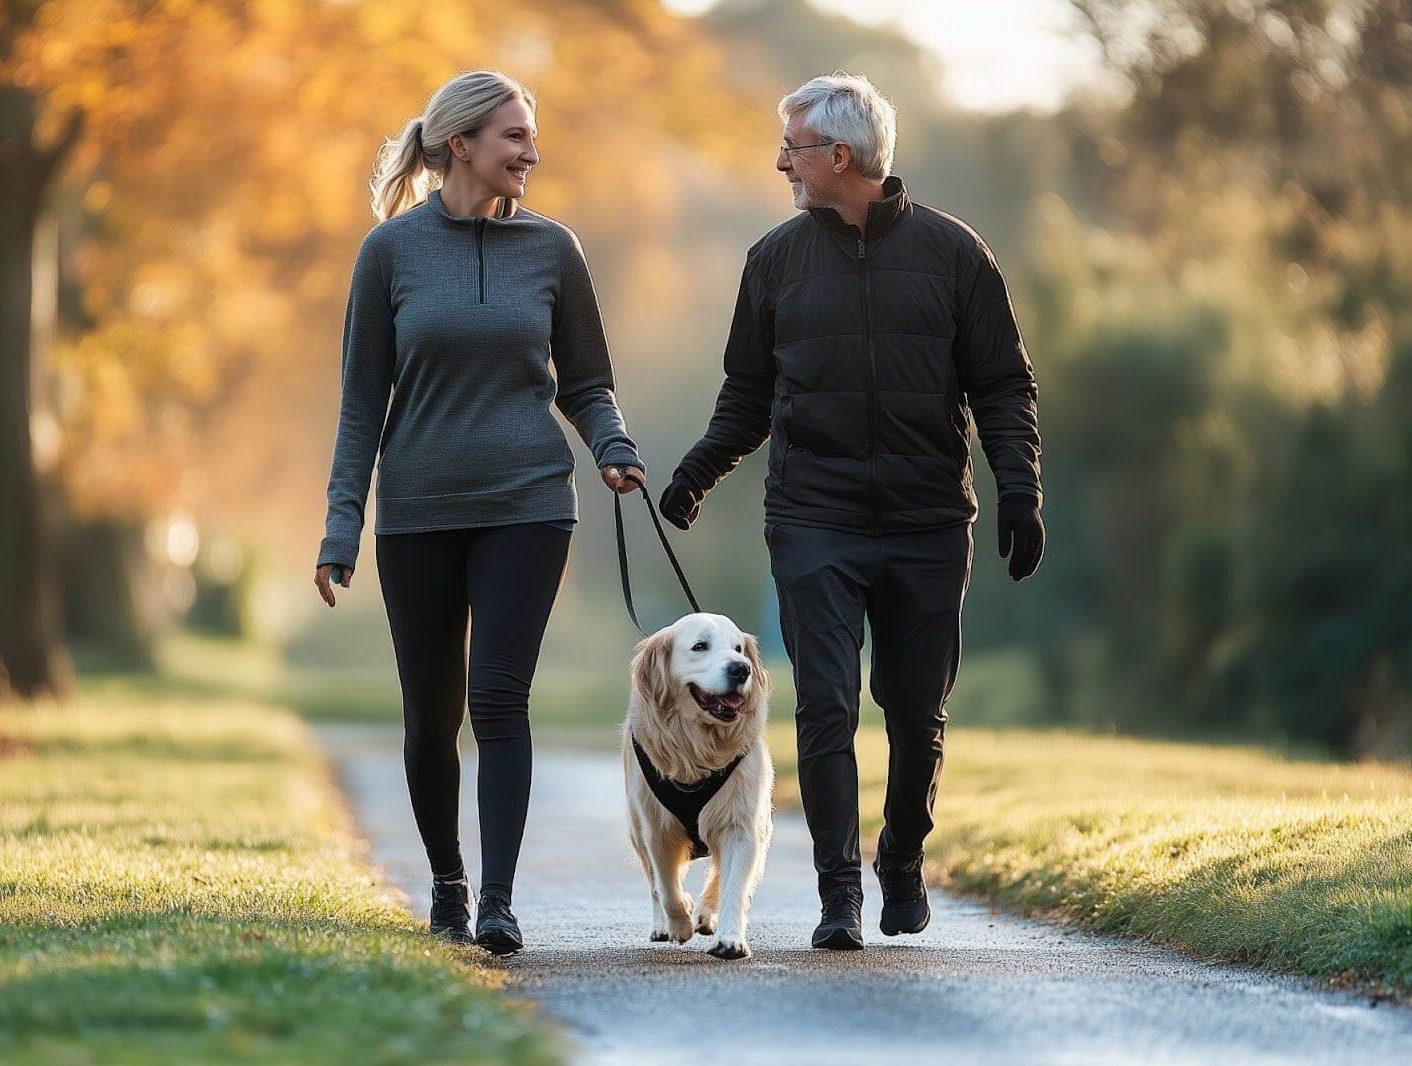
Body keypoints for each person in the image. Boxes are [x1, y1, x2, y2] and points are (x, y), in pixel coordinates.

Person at [660, 73, 1045, 950]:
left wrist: (1020, 490)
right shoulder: (774, 262)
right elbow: (748, 395)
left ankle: (901, 858)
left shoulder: (956, 257)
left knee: (915, 709)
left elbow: (1004, 385)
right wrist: (696, 472)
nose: (780, 162)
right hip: (813, 518)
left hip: (927, 524)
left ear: (841, 156)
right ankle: (839, 892)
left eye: (791, 147)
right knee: (824, 704)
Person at [313, 70, 646, 956]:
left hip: (528, 505)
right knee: (431, 714)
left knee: (500, 698)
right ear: (460, 143)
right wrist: (341, 526)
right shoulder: (388, 253)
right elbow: (360, 405)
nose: (532, 153)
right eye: (515, 138)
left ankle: (497, 901)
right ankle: (448, 884)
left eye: (532, 137)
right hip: (417, 512)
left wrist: (611, 446)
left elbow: (587, 383)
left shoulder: (554, 250)